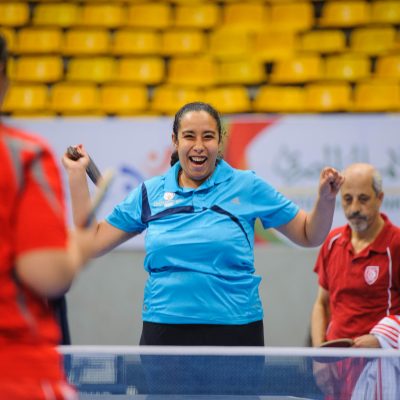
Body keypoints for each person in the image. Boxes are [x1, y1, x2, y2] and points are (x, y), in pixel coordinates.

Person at [63, 101, 344, 348]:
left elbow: (309, 233)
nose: (198, 146)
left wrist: (326, 199)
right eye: (189, 136)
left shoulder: (247, 186)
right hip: (165, 331)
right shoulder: (151, 193)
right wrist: (77, 176)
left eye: (208, 136)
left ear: (220, 141)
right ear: (175, 140)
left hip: (236, 331)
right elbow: (94, 241)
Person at [0, 34, 95, 399]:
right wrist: (80, 247)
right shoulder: (21, 156)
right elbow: (50, 277)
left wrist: (75, 178)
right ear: (5, 80)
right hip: (16, 372)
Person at [311, 163, 400, 399]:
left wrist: (383, 341)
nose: (354, 209)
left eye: (363, 199)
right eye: (347, 199)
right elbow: (322, 303)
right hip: (337, 369)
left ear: (380, 198)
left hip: (382, 366)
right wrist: (319, 355)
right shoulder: (332, 241)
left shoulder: (397, 244)